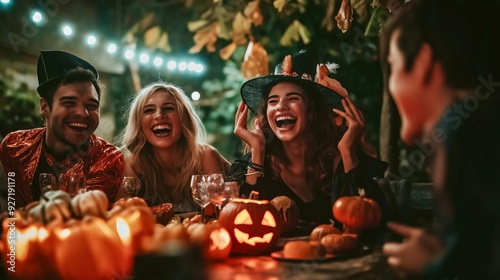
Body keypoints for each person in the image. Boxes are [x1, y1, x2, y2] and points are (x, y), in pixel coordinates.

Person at [380, 0, 500, 278]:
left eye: (394, 66)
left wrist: (434, 266)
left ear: (422, 63)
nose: (392, 84)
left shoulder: (465, 132)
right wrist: (450, 250)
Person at [229, 49, 390, 241]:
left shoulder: (342, 157)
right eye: (273, 101)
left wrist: (348, 152)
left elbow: (369, 220)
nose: (280, 106)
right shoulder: (256, 161)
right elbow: (240, 225)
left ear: (314, 111)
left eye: (293, 98)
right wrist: (257, 153)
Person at [0, 50, 124, 208]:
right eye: (69, 102)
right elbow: (9, 209)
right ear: (45, 107)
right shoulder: (14, 146)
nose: (82, 113)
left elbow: (90, 221)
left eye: (92, 105)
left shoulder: (107, 159)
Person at [119, 82, 229, 213]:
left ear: (184, 118)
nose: (159, 115)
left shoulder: (206, 156)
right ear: (139, 124)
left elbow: (217, 215)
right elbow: (121, 214)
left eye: (169, 108)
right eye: (149, 110)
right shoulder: (133, 164)